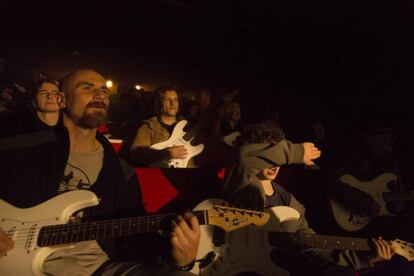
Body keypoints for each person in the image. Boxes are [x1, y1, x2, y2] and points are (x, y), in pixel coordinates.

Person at [0, 69, 200, 275]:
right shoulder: (20, 150)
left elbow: (136, 241)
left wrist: (180, 261)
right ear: (61, 99)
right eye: (87, 87)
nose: (100, 95)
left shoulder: (122, 172)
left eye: (104, 90)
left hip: (99, 268)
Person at [220, 121, 394, 276]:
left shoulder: (291, 204)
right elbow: (244, 156)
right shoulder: (242, 182)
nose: (275, 164)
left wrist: (366, 258)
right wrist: (297, 152)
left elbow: (315, 247)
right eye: (270, 153)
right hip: (230, 261)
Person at [129, 86, 194, 167]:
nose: (172, 103)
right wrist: (166, 153)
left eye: (175, 100)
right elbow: (135, 155)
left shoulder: (188, 128)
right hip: (160, 177)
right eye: (167, 99)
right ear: (158, 103)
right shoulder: (148, 127)